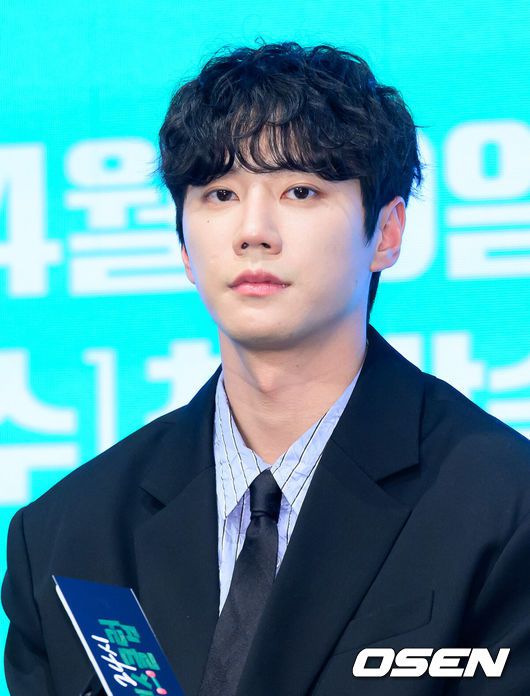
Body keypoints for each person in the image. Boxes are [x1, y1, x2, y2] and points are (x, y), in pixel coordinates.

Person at [3, 40, 530, 696]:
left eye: (300, 190)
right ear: (183, 244)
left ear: (387, 233)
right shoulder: (66, 535)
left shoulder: (504, 508)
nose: (253, 231)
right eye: (220, 193)